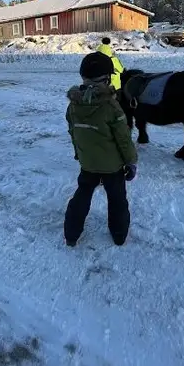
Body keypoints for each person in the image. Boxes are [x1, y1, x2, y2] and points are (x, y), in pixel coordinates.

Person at [63, 51, 138, 247]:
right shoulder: (111, 106)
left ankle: (71, 235)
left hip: (88, 164)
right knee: (117, 199)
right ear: (106, 79)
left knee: (82, 194)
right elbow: (124, 139)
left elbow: (74, 132)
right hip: (112, 167)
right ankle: (119, 235)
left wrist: (79, 154)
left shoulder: (74, 105)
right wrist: (131, 161)